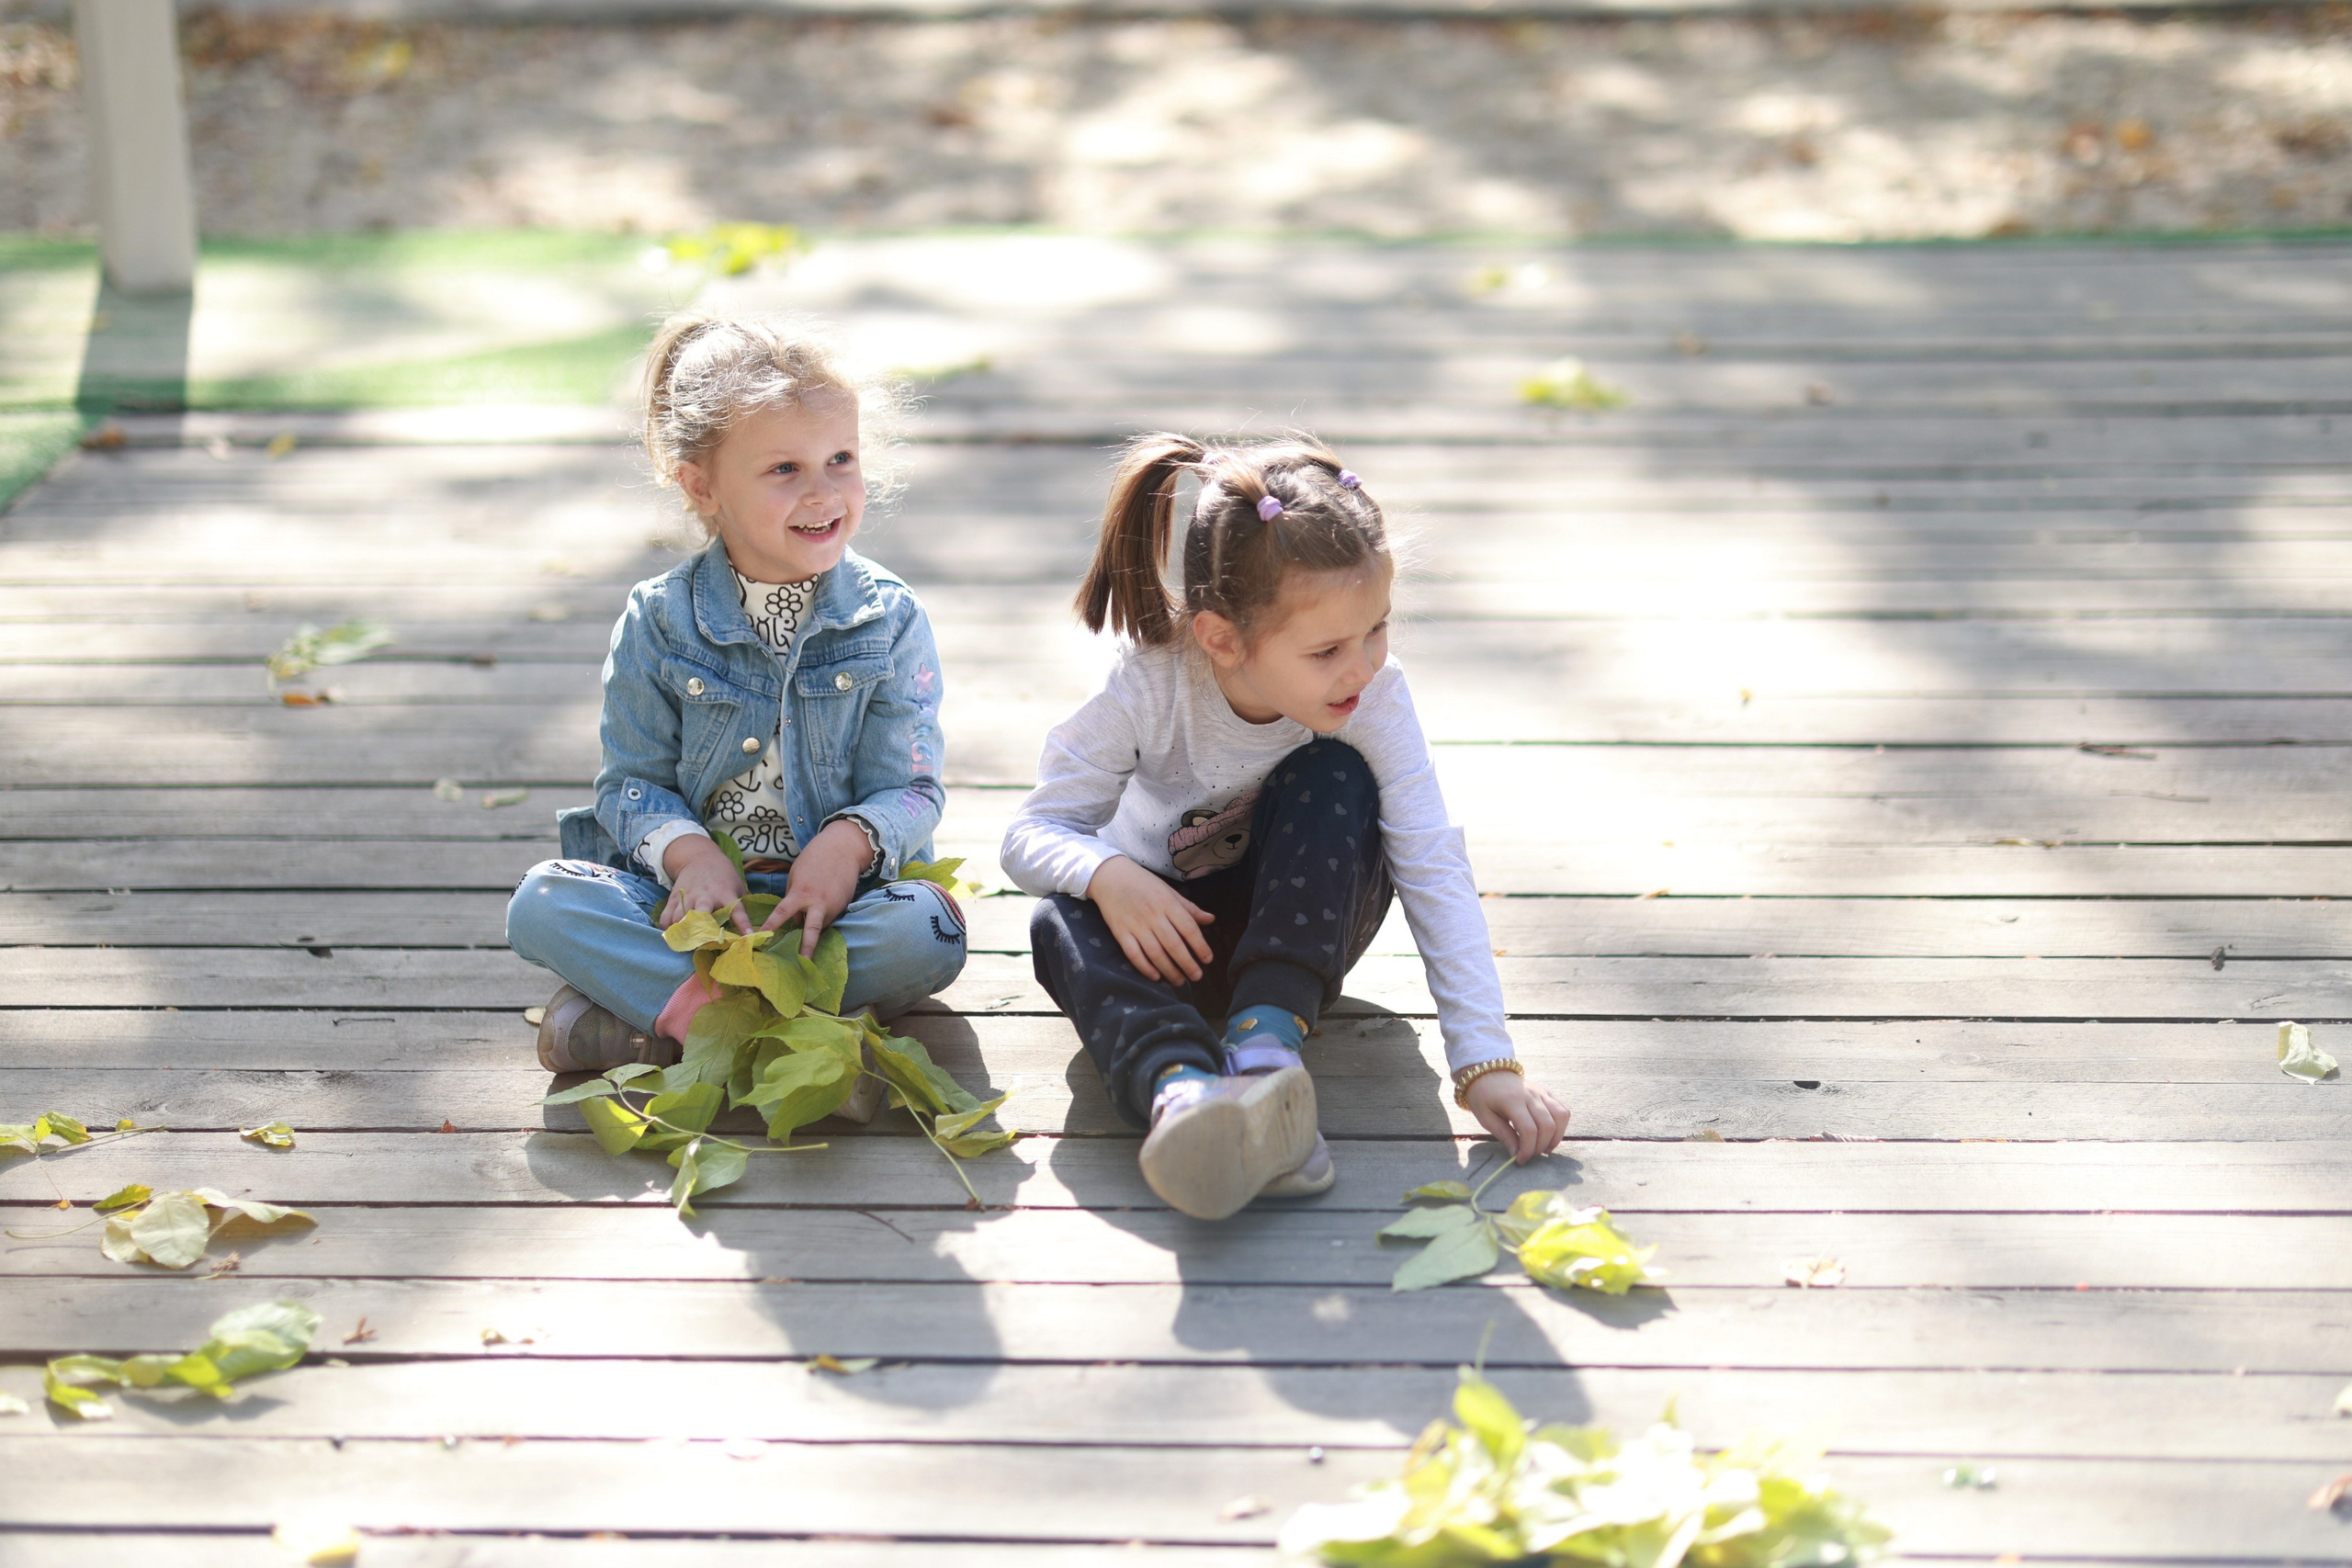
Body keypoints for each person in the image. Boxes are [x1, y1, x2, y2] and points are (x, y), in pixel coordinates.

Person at [1001, 434, 1568, 1220]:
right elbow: (1033, 832)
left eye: (1377, 628)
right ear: (1221, 638)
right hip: (1164, 937)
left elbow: (1432, 860)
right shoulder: (1148, 685)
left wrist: (1483, 1060)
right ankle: (1185, 1095)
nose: (1363, 665)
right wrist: (1110, 875)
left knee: (1332, 775)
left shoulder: (1373, 694)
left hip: (1298, 934)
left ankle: (1266, 1062)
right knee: (1056, 918)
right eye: (1328, 648)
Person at [507, 312, 966, 1122]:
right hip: (689, 915)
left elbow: (914, 788)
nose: (823, 491)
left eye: (841, 459)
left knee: (930, 930)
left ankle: (658, 1022)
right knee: (543, 901)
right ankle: (768, 1032)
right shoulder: (658, 620)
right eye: (784, 468)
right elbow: (630, 785)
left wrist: (847, 843)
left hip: (834, 912)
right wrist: (687, 857)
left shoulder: (888, 618)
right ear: (702, 486)